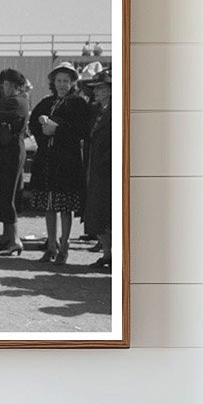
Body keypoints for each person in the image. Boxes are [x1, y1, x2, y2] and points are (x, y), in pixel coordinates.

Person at [28, 62, 94, 264]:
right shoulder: (46, 102)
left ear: (73, 82)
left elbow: (82, 130)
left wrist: (58, 129)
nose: (62, 84)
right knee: (49, 206)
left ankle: (64, 247)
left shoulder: (78, 104)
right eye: (59, 81)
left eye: (66, 81)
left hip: (66, 163)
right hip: (47, 162)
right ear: (53, 82)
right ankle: (51, 246)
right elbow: (32, 125)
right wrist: (42, 129)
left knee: (65, 208)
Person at [0, 67, 30, 255]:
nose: (4, 88)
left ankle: (15, 239)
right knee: (5, 193)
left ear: (15, 86)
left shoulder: (16, 102)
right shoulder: (18, 100)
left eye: (7, 84)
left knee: (9, 195)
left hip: (11, 151)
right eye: (4, 85)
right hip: (9, 151)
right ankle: (6, 237)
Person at [83, 66, 113, 270]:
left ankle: (113, 255)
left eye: (100, 88)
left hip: (108, 170)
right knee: (100, 214)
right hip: (96, 169)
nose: (95, 92)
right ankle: (107, 253)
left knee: (110, 213)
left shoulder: (115, 112)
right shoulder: (97, 112)